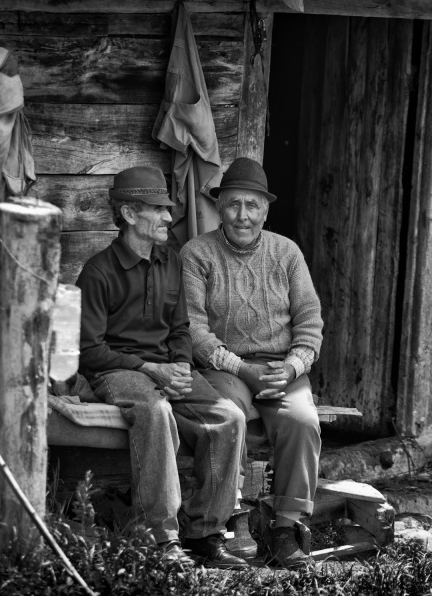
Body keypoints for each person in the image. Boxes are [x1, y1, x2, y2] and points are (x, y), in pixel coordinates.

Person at [75, 166, 249, 570]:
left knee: (230, 418)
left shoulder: (170, 261)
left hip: (168, 369)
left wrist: (182, 366)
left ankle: (204, 533)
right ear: (129, 214)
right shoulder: (98, 272)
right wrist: (151, 369)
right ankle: (159, 539)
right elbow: (89, 351)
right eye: (157, 209)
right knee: (156, 412)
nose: (168, 217)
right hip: (117, 370)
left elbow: (180, 329)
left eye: (167, 209)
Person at [180, 157, 324, 569]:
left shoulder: (287, 253)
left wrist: (292, 367)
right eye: (233, 204)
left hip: (281, 366)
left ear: (265, 210)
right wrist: (243, 369)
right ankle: (233, 520)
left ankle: (285, 529)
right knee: (231, 417)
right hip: (225, 366)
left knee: (302, 422)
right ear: (219, 207)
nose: (242, 215)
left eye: (252, 205)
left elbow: (310, 321)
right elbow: (193, 330)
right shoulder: (197, 254)